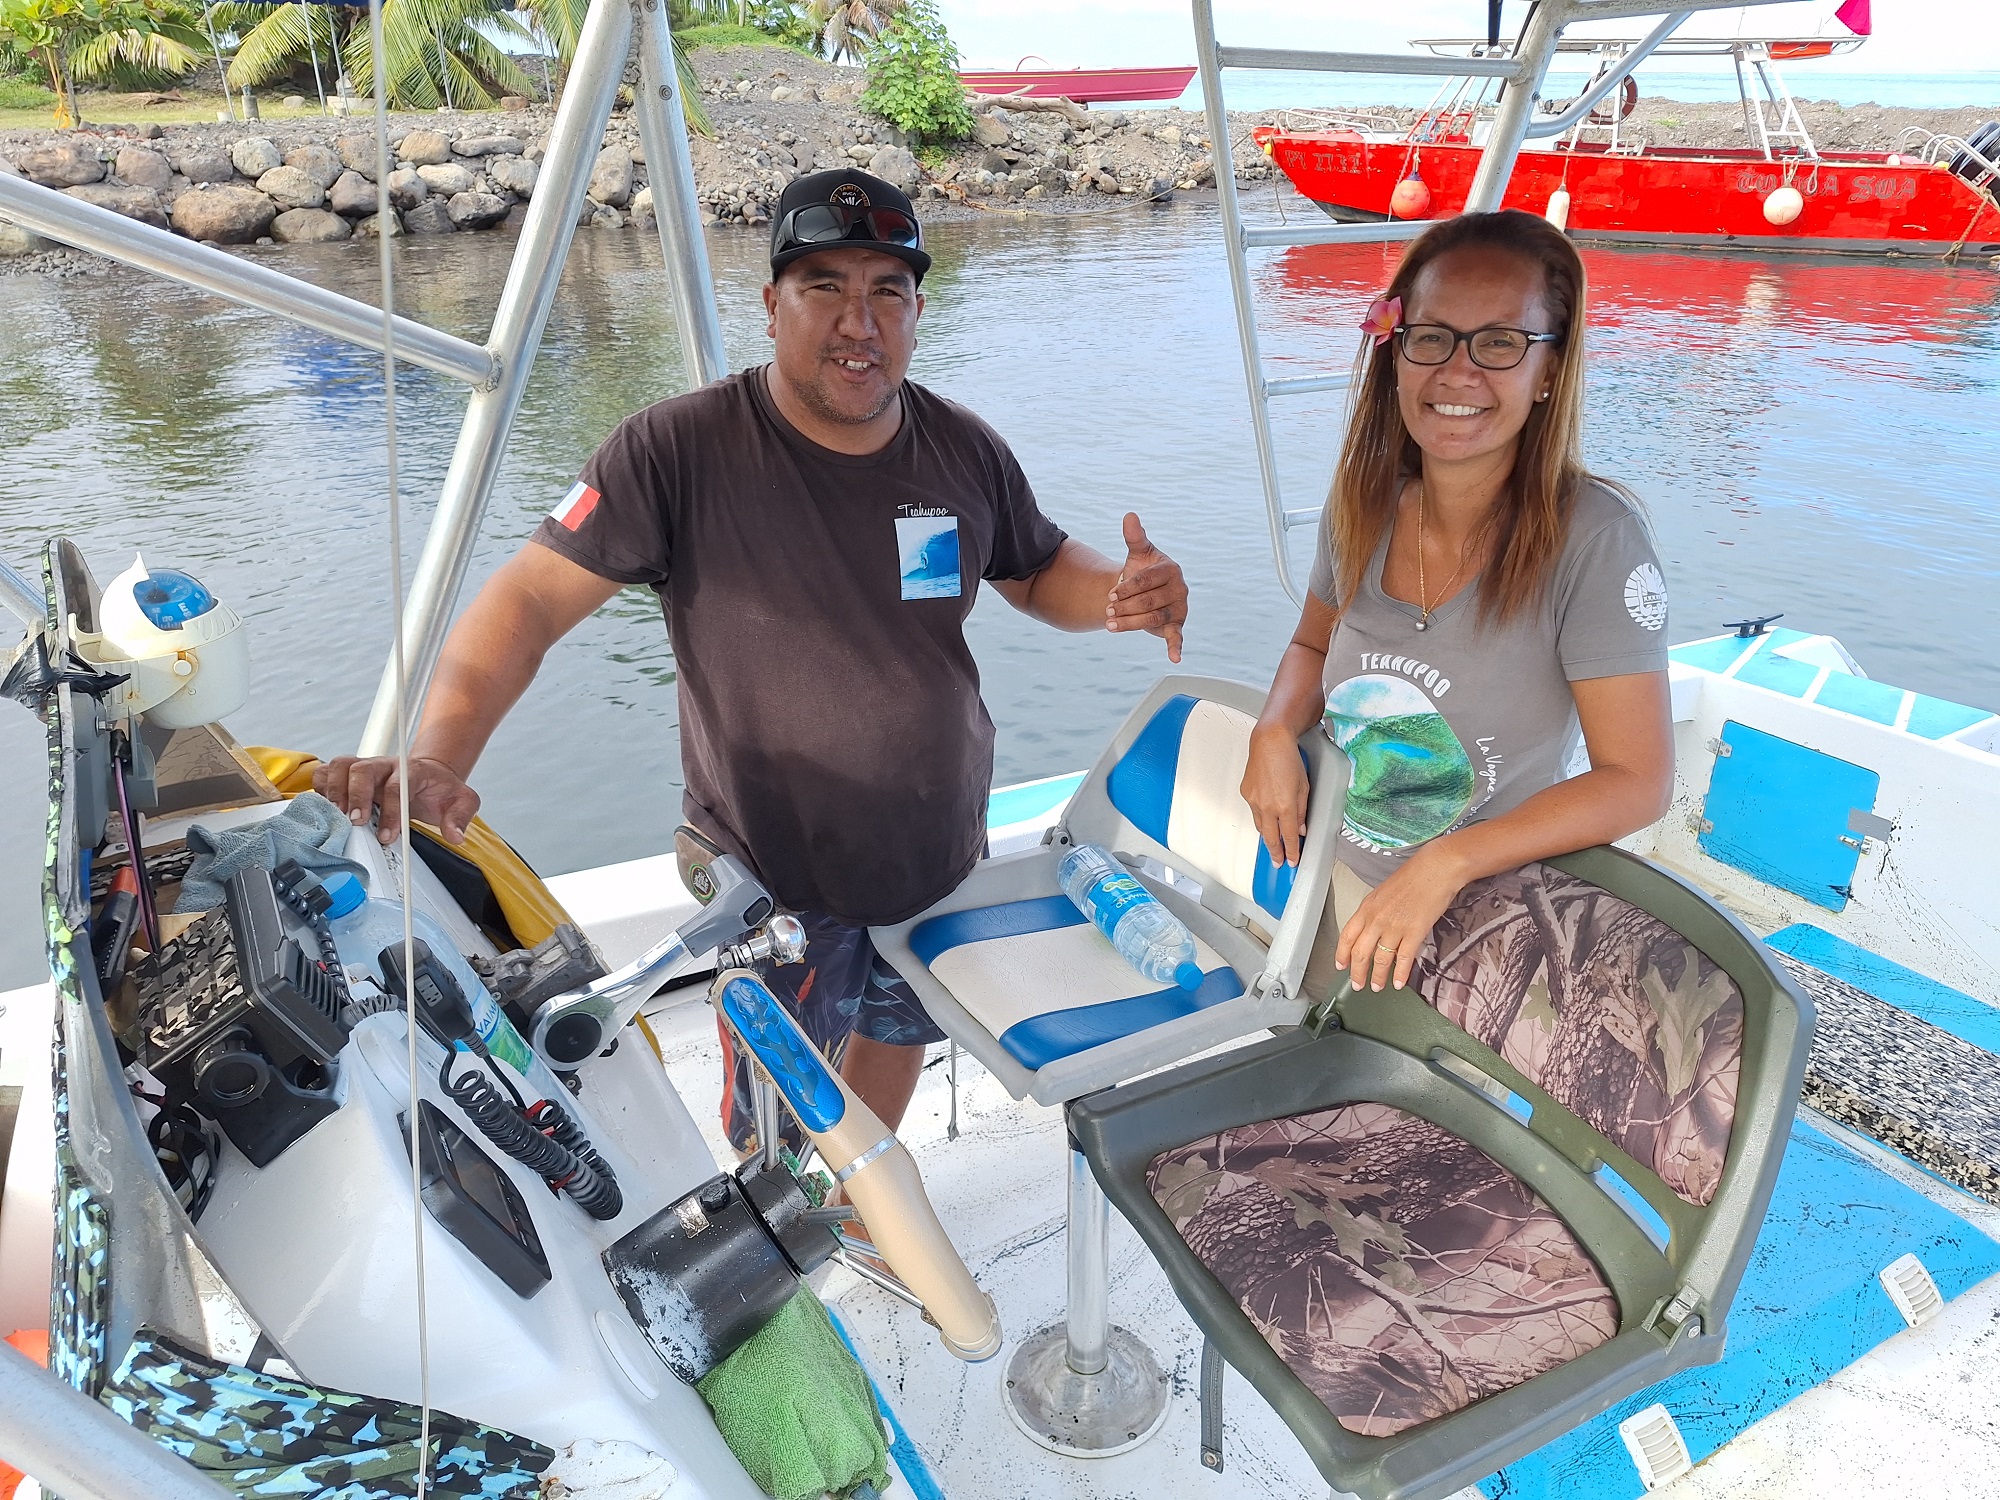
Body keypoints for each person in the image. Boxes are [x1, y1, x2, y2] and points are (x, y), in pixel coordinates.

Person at [315, 169, 1190, 1156]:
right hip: (768, 880)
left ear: (916, 309)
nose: (858, 323)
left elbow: (1034, 569)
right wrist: (439, 755)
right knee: (773, 1111)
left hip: (938, 851)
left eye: (885, 292)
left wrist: (1116, 591)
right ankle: (785, 1212)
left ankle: (861, 1205)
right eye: (824, 286)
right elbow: (523, 604)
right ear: (771, 304)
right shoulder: (673, 452)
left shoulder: (960, 448)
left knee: (896, 1029)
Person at [1239, 209, 1672, 998]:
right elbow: (1310, 646)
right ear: (1396, 353)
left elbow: (1637, 779)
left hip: (1471, 918)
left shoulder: (1597, 541)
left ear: (1549, 372)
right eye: (1432, 336)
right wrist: (1273, 728)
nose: (1459, 371)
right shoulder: (1362, 504)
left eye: (1501, 343)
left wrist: (1447, 861)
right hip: (1309, 877)